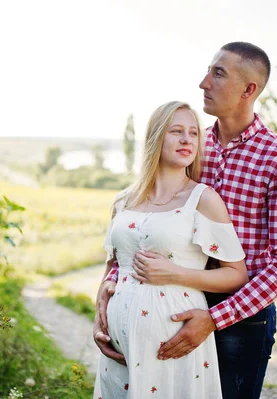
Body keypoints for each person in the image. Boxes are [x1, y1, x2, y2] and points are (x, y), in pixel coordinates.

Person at [94, 42, 277, 398]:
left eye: (218, 73)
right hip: (169, 307)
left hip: (241, 319)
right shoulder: (190, 146)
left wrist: (215, 318)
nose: (203, 82)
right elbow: (144, 224)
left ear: (248, 90)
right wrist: (112, 284)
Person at [93, 101, 250, 398]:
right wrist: (99, 315)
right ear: (155, 138)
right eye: (176, 131)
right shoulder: (124, 200)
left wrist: (176, 273)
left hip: (172, 339)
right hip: (118, 346)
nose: (187, 139)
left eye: (193, 133)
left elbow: (236, 274)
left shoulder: (202, 200)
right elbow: (113, 264)